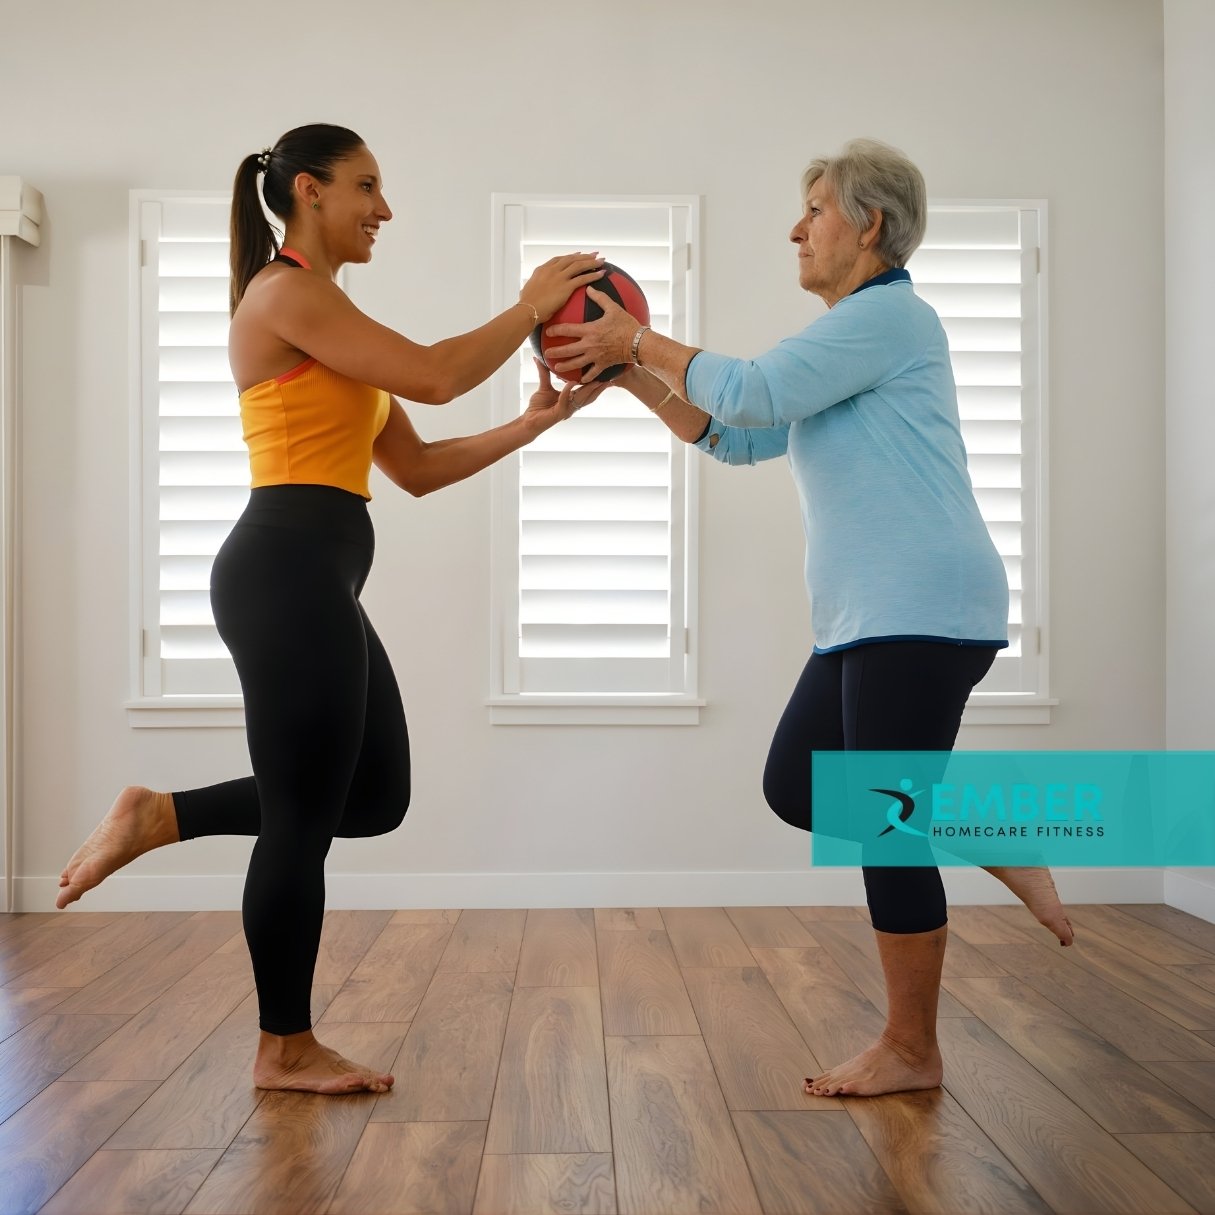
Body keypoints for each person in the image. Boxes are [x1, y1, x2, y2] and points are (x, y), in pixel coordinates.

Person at [55, 123, 606, 1095]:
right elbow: (436, 369)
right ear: (308, 190)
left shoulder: (332, 324)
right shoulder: (287, 294)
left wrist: (533, 421)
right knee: (303, 821)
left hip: (316, 583)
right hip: (283, 578)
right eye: (367, 187)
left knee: (373, 795)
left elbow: (421, 468)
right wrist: (529, 305)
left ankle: (159, 815)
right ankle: (284, 1048)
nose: (383, 208)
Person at [548, 138, 1074, 1098]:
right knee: (798, 784)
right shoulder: (845, 343)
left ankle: (911, 1050)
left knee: (883, 825)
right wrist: (630, 380)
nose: (797, 228)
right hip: (868, 613)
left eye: (817, 210)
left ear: (869, 225)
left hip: (921, 604)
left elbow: (749, 387)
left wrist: (636, 339)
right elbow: (739, 435)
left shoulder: (888, 319)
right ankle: (998, 832)